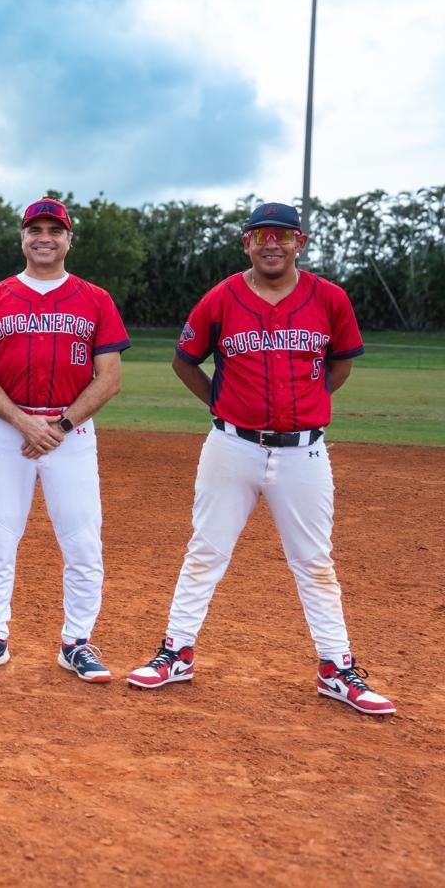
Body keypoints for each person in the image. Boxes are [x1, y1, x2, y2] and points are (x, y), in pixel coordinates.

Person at [127, 202, 395, 716]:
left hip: (304, 452)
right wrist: (223, 403)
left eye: (283, 235)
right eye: (260, 235)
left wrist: (306, 405)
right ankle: (176, 651)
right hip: (231, 447)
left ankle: (336, 668)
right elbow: (185, 360)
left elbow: (337, 367)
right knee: (205, 551)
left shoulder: (330, 299)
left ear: (300, 242)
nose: (271, 244)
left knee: (315, 562)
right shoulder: (222, 297)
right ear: (245, 242)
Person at [0, 197, 129, 681]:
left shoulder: (95, 299)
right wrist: (23, 422)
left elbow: (109, 377)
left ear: (69, 239)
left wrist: (60, 426)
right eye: (36, 229)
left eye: (55, 229)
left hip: (70, 437)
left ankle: (77, 642)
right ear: (23, 237)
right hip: (10, 434)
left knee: (82, 542)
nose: (45, 237)